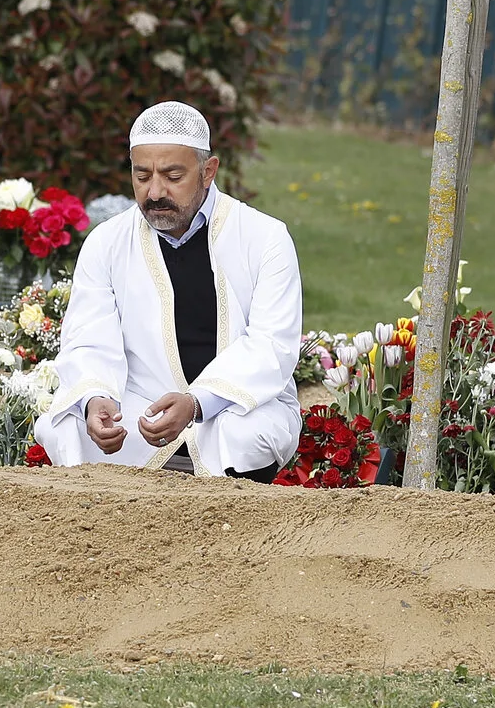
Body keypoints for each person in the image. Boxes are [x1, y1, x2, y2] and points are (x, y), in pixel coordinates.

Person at [34, 103, 303, 478]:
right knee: (66, 426)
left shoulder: (265, 238)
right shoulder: (106, 242)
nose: (155, 191)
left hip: (233, 405)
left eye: (173, 175)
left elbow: (271, 346)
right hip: (141, 408)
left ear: (208, 171)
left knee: (247, 435)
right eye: (142, 176)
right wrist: (95, 400)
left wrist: (197, 403)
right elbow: (87, 339)